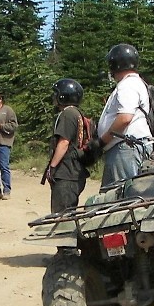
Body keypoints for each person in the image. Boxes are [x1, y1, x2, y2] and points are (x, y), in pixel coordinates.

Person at [96, 43, 152, 186]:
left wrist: (102, 141)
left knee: (121, 199)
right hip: (126, 147)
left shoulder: (128, 85)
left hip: (125, 148)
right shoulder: (134, 83)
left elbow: (125, 118)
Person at [45, 78, 91, 214]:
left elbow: (64, 143)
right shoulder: (77, 113)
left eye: (56, 93)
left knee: (61, 217)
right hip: (74, 171)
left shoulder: (68, 114)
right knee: (68, 214)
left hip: (67, 173)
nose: (54, 96)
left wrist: (52, 167)